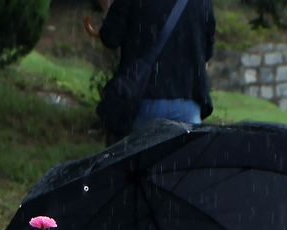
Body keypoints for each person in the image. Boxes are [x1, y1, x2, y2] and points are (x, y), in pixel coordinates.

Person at [85, 0, 216, 138]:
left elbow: (110, 40)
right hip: (188, 105)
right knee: (186, 158)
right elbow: (206, 57)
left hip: (141, 101)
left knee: (133, 158)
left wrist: (108, 9)